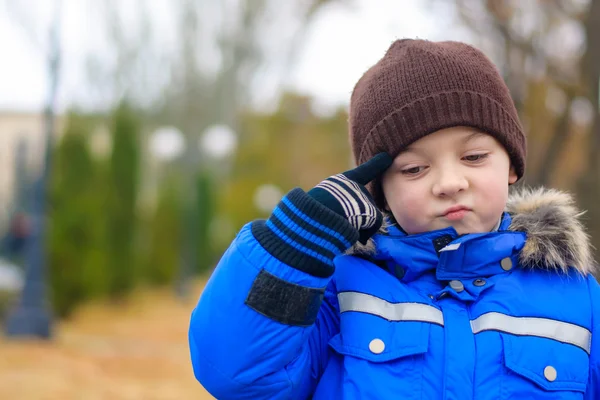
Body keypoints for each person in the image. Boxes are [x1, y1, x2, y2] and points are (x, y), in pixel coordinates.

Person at [188, 39, 600, 399]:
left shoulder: (576, 298)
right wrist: (294, 250)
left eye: (473, 157)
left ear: (511, 164)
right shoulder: (338, 291)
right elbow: (237, 376)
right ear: (380, 189)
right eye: (413, 169)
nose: (449, 182)